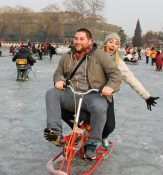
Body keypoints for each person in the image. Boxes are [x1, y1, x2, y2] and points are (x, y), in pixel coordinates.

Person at [44, 28, 122, 160]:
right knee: (51, 93)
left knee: (99, 106)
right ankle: (55, 132)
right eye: (76, 38)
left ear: (89, 41)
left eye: (81, 39)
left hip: (93, 95)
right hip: (72, 93)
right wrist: (58, 80)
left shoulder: (100, 55)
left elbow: (116, 75)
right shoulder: (67, 56)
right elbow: (58, 73)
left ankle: (92, 143)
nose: (78, 42)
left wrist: (110, 87)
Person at [99, 33, 159, 147]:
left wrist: (146, 96)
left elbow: (131, 79)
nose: (113, 45)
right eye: (110, 41)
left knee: (110, 125)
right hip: (88, 93)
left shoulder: (118, 62)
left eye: (116, 43)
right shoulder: (95, 56)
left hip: (106, 96)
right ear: (105, 43)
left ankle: (103, 136)